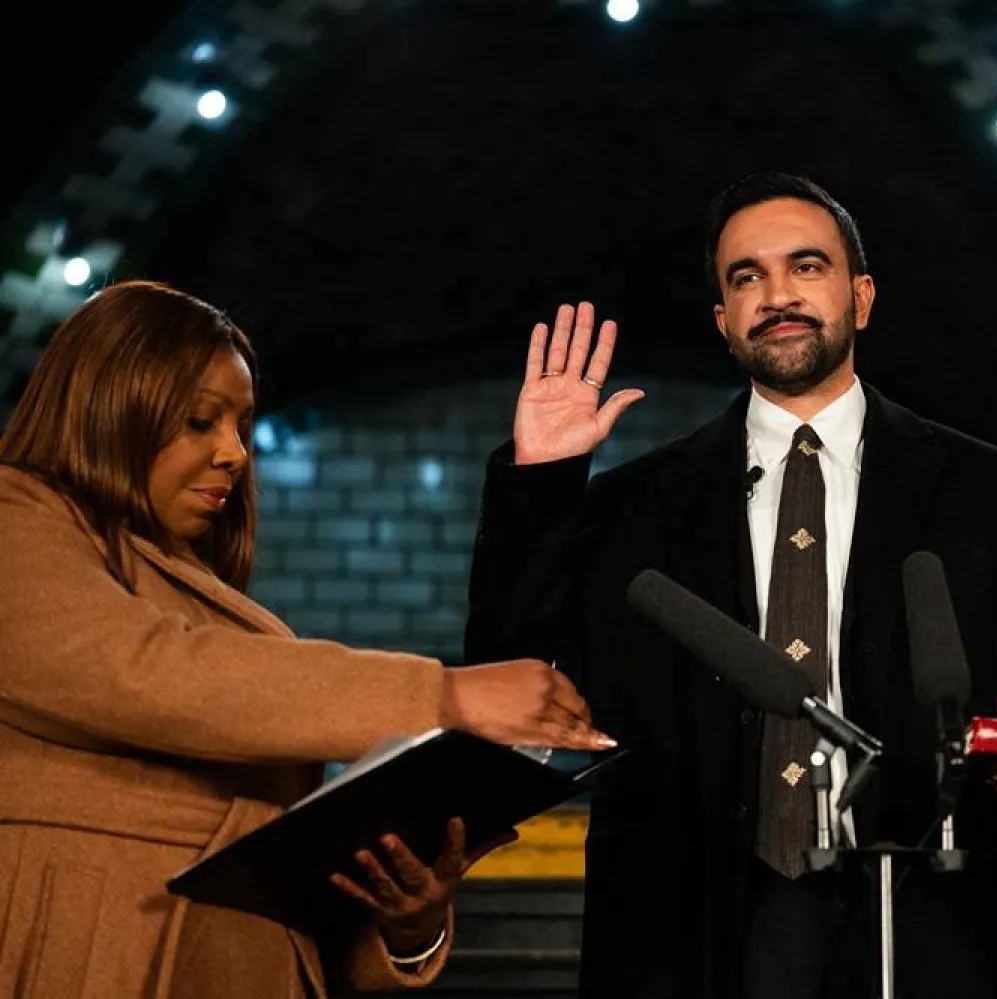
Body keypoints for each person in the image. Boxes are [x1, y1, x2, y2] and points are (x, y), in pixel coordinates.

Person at [465, 171, 997, 999]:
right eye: (746, 277)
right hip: (684, 926)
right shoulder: (634, 502)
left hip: (918, 913)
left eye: (806, 266)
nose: (776, 293)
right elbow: (506, 668)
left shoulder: (979, 485)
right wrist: (542, 478)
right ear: (722, 320)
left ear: (862, 295)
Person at [0, 280, 612, 998]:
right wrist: (445, 696)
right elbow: (139, 669)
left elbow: (302, 921)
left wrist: (408, 925)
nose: (234, 452)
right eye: (200, 419)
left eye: (242, 424)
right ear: (110, 407)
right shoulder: (19, 517)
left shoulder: (212, 599)